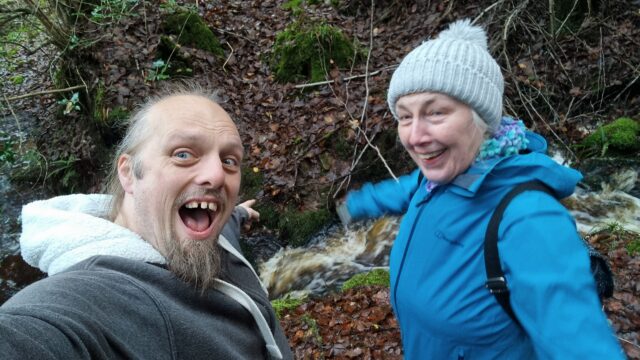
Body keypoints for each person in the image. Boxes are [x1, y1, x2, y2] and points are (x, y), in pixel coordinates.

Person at [336, 19, 624, 359]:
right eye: (404, 116)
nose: (415, 136)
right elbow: (405, 190)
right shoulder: (437, 177)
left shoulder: (529, 219)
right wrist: (357, 204)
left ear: (482, 118)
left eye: (436, 112)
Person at [0, 87, 293, 359]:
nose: (217, 176)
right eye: (183, 154)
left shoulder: (198, 228)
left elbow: (222, 229)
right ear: (128, 173)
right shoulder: (94, 297)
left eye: (229, 160)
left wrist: (238, 213)